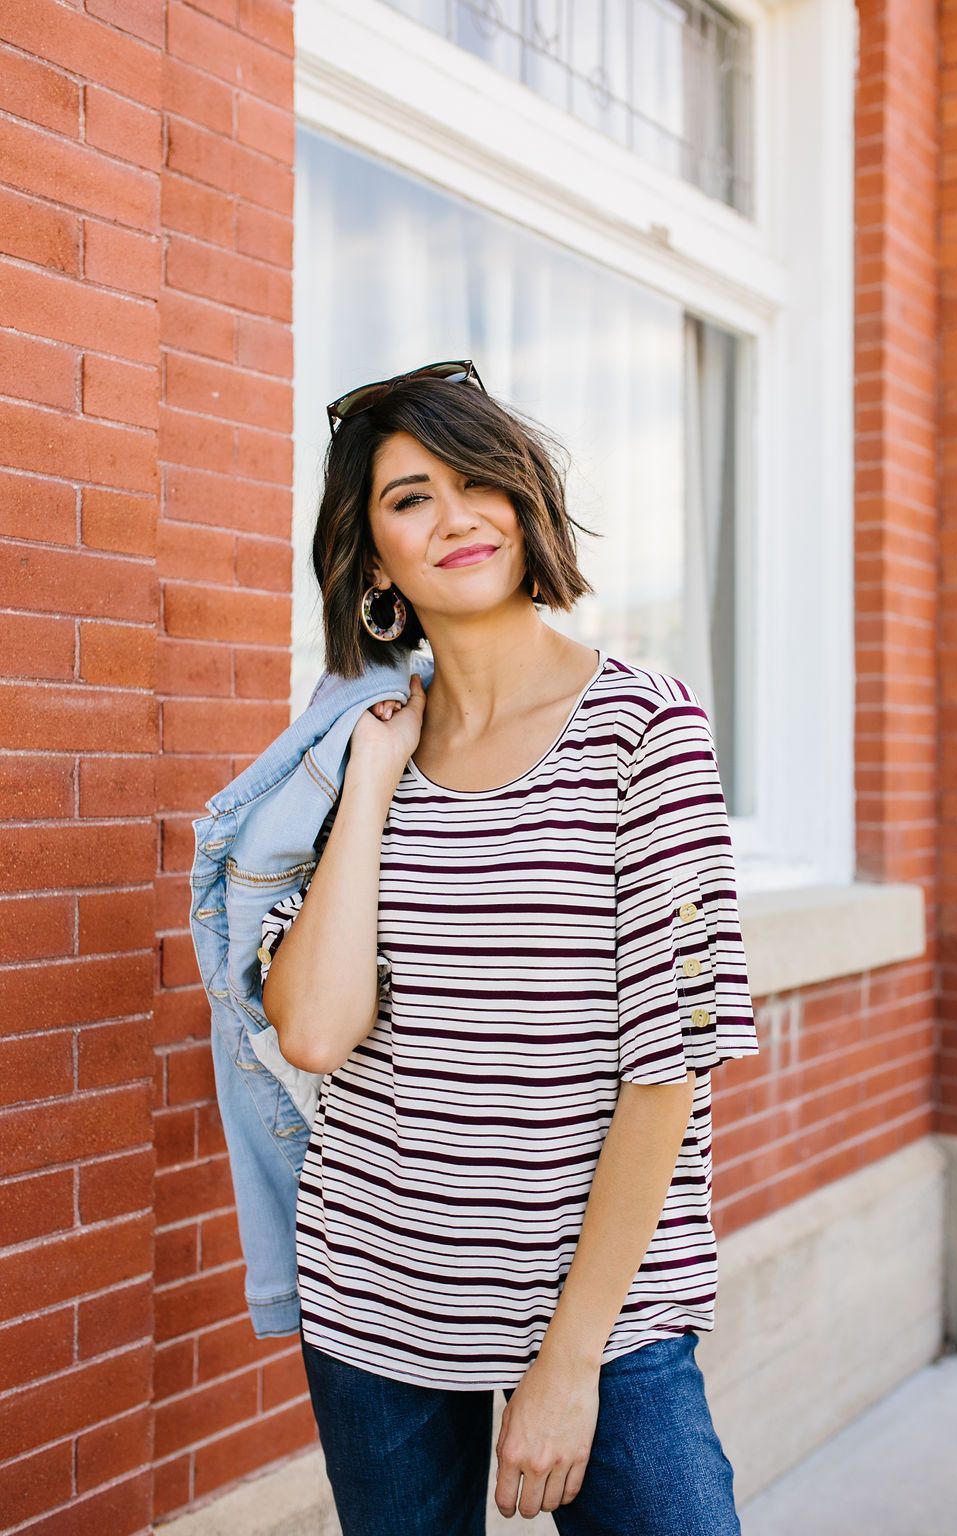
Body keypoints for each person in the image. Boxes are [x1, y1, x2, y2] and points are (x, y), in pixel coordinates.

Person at [261, 360, 759, 1534]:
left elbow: (668, 1065)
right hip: (378, 1293)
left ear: (525, 505)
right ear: (375, 556)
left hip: (607, 1315)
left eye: (478, 478)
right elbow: (318, 1028)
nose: (457, 515)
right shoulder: (353, 749)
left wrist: (568, 1363)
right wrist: (377, 784)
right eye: (409, 496)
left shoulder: (647, 728)